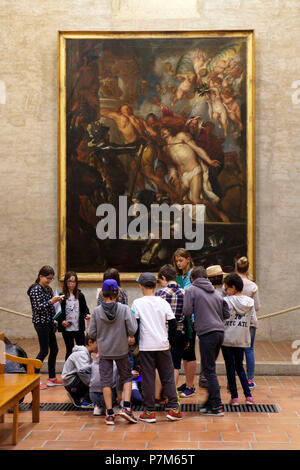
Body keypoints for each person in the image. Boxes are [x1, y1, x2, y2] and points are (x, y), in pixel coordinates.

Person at [132, 272, 182, 423]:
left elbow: (135, 325)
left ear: (141, 286)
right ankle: (173, 408)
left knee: (148, 378)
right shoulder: (163, 302)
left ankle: (149, 411)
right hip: (163, 344)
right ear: (155, 286)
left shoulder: (137, 303)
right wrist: (169, 340)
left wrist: (135, 341)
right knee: (167, 376)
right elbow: (173, 324)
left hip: (146, 346)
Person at [88, 278, 138, 425]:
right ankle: (127, 408)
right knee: (127, 377)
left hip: (104, 351)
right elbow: (133, 329)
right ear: (117, 294)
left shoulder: (97, 311)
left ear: (103, 294)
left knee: (106, 381)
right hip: (121, 350)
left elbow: (91, 333)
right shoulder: (124, 309)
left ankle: (109, 414)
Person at [183, 266, 230, 416]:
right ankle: (209, 404)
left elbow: (187, 311)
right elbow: (226, 313)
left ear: (193, 278)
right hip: (219, 333)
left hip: (207, 334)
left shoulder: (191, 290)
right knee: (209, 368)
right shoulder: (216, 293)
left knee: (209, 370)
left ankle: (217, 406)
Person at [222, 273, 256, 405]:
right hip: (241, 339)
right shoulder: (249, 302)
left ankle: (235, 397)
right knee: (240, 367)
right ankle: (248, 396)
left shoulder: (225, 301)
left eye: (227, 288)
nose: (225, 291)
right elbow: (253, 320)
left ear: (234, 287)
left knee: (230, 368)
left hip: (227, 339)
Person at [27, 265, 63, 389]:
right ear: (41, 276)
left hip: (49, 323)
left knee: (54, 349)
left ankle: (52, 378)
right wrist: (51, 302)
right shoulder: (35, 289)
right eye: (47, 278)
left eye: (51, 279)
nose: (49, 281)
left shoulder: (47, 289)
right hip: (40, 323)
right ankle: (34, 379)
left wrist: (57, 303)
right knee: (44, 351)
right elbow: (37, 309)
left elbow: (50, 307)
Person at [156, 264, 187, 386]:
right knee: (175, 365)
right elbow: (188, 316)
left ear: (163, 277)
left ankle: (160, 395)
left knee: (160, 366)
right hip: (180, 332)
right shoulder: (185, 293)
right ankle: (172, 396)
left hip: (163, 333)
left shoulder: (160, 293)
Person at [172, 249, 196, 398]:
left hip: (191, 319)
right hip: (181, 317)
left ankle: (191, 385)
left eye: (181, 260)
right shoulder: (179, 275)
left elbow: (188, 291)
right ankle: (187, 382)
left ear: (188, 259)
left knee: (190, 353)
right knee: (184, 354)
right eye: (176, 261)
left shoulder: (192, 275)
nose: (178, 263)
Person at [235, 257, 260, 388]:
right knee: (249, 350)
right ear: (247, 268)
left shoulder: (230, 284)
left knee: (235, 349)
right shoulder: (252, 286)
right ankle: (249, 380)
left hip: (235, 321)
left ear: (236, 267)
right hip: (250, 320)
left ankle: (233, 378)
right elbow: (257, 306)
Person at [57, 271, 91, 360]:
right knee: (69, 349)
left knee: (82, 349)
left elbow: (85, 309)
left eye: (73, 281)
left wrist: (87, 315)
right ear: (65, 282)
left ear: (76, 283)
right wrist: (61, 321)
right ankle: (69, 370)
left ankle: (82, 368)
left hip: (78, 327)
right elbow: (57, 312)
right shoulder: (61, 296)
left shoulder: (80, 295)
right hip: (67, 328)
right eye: (69, 281)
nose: (71, 284)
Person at [62, 333, 97, 408]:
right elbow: (83, 372)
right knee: (95, 378)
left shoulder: (86, 354)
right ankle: (87, 401)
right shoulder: (82, 354)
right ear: (90, 342)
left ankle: (75, 395)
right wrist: (93, 385)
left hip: (71, 381)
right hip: (71, 382)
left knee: (94, 375)